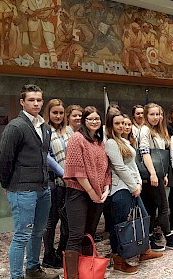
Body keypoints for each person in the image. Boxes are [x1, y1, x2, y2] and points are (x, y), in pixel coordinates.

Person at [0, 84, 58, 279]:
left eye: (39, 100)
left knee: (38, 232)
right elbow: (2, 161)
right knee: (22, 235)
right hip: (23, 190)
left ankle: (33, 269)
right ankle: (16, 276)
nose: (36, 103)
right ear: (22, 102)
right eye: (31, 100)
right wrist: (7, 184)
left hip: (43, 188)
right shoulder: (16, 126)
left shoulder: (45, 128)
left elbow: (43, 157)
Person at [104, 110, 162, 275]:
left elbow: (132, 165)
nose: (121, 126)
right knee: (121, 226)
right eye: (117, 123)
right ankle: (119, 261)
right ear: (110, 125)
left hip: (132, 186)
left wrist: (138, 183)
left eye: (123, 123)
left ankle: (144, 250)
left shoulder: (123, 140)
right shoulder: (111, 143)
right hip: (120, 189)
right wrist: (133, 186)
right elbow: (120, 168)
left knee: (143, 218)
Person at [63, 106, 111, 279]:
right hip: (78, 193)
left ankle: (89, 271)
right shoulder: (77, 139)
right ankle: (73, 276)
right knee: (75, 235)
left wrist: (106, 188)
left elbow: (106, 169)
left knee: (89, 233)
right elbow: (77, 171)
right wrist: (92, 192)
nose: (94, 122)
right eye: (90, 119)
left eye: (97, 119)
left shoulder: (100, 142)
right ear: (84, 121)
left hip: (98, 194)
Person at [139, 103, 173, 250]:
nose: (155, 117)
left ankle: (150, 238)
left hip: (158, 174)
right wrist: (153, 173)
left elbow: (161, 156)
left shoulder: (159, 131)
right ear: (146, 115)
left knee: (152, 208)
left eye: (158, 114)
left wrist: (163, 174)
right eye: (152, 114)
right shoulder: (145, 130)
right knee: (163, 207)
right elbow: (145, 153)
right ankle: (169, 237)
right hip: (150, 175)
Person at [41, 99, 71, 269]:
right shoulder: (45, 131)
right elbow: (46, 156)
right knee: (51, 221)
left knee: (67, 220)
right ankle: (48, 255)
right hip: (54, 182)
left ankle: (62, 251)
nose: (58, 116)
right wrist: (63, 173)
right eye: (55, 113)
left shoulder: (69, 131)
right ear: (49, 113)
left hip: (71, 183)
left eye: (61, 113)